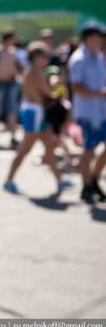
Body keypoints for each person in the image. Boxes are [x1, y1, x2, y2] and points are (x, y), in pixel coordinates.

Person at [3, 41, 74, 194]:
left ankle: (59, 180)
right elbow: (48, 93)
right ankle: (9, 180)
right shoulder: (35, 72)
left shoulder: (35, 71)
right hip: (34, 113)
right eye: (44, 55)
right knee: (25, 149)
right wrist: (57, 84)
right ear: (36, 57)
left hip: (36, 112)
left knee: (49, 148)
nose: (47, 58)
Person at [67, 23, 106, 204]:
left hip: (101, 110)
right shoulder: (79, 59)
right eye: (97, 37)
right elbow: (76, 87)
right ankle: (86, 186)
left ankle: (94, 179)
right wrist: (99, 93)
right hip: (87, 113)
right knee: (89, 150)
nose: (100, 40)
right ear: (88, 38)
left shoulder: (99, 57)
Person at [0, 29, 23, 148]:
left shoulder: (14, 52)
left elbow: (18, 68)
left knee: (12, 111)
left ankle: (13, 136)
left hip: (11, 83)